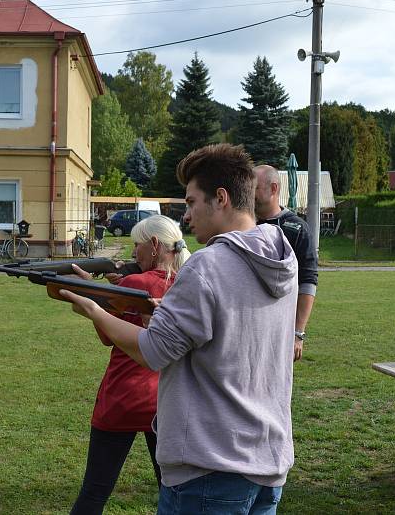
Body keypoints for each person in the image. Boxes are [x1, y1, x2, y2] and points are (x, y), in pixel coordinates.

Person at [61, 143, 298, 514]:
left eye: (190, 202)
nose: (186, 217)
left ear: (220, 199)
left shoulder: (207, 265)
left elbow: (151, 352)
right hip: (268, 461)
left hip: (210, 469)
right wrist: (165, 318)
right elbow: (229, 332)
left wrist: (94, 309)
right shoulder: (282, 254)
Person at [69, 214, 191, 515]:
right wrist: (115, 289)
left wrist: (96, 295)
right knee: (171, 491)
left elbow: (107, 337)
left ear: (153, 245)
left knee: (94, 492)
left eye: (137, 245)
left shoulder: (135, 282)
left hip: (124, 397)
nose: (133, 252)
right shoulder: (186, 282)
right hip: (166, 401)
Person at [254, 165, 318, 362]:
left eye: (254, 188)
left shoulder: (297, 228)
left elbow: (308, 280)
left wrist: (298, 333)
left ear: (273, 189)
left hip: (281, 329)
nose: (249, 193)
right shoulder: (244, 225)